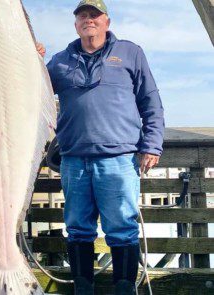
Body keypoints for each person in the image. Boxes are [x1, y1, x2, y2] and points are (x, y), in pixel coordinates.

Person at [47, 1, 164, 294]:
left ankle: (125, 289)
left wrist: (152, 145)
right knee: (77, 228)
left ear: (107, 22)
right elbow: (32, 91)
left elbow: (150, 101)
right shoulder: (60, 61)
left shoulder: (130, 53)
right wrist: (31, 58)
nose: (89, 20)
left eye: (94, 15)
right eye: (82, 16)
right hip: (73, 160)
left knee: (122, 228)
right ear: (75, 25)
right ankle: (82, 288)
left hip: (119, 159)